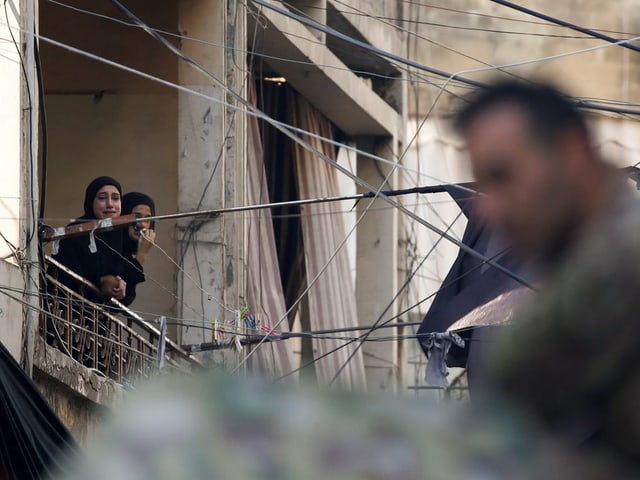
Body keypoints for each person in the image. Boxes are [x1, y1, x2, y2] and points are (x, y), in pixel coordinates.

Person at [453, 80, 640, 472]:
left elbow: (518, 390)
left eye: (502, 176)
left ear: (570, 154)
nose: (490, 211)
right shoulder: (572, 264)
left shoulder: (618, 264)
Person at [52, 176, 127, 302]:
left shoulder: (119, 236)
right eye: (102, 198)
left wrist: (118, 285)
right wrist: (101, 281)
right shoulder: (76, 232)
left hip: (97, 317)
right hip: (68, 311)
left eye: (115, 198)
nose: (110, 204)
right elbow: (66, 278)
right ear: (90, 201)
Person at [119, 192, 156, 307]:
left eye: (147, 219)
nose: (142, 225)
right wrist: (141, 256)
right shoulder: (110, 246)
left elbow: (125, 299)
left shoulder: (127, 256)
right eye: (136, 217)